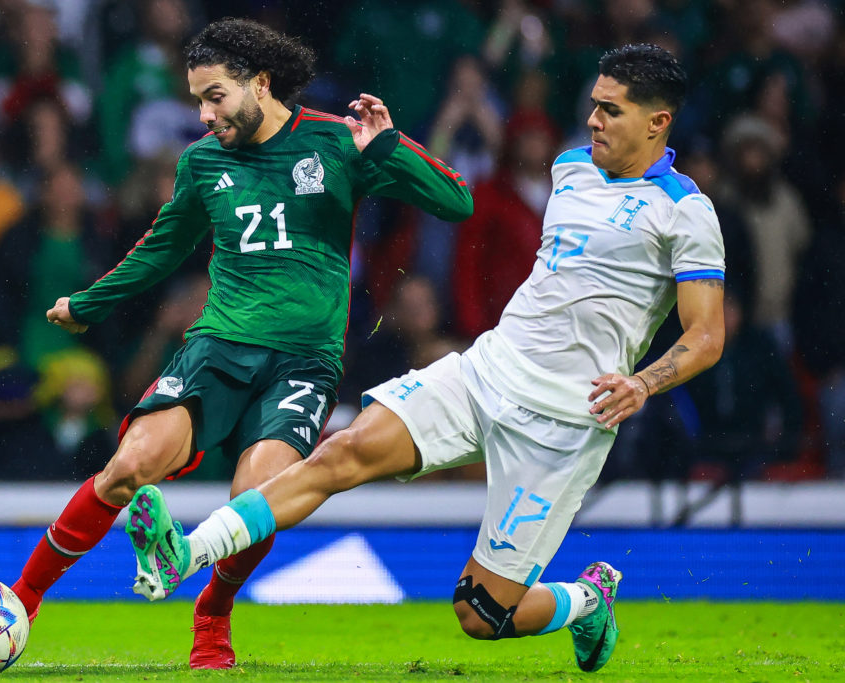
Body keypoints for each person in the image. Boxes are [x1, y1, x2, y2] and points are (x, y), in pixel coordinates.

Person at [131, 44, 726, 674]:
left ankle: (586, 600)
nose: (593, 121)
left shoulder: (685, 212)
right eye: (593, 106)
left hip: (565, 422)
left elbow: (706, 335)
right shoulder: (569, 170)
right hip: (486, 371)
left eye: (611, 111)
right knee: (342, 453)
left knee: (481, 614)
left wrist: (643, 381)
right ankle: (186, 553)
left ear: (658, 123)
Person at [8, 17, 473, 672]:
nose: (203, 114)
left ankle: (212, 613)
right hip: (218, 347)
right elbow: (160, 248)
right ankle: (21, 600)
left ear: (258, 82)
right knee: (125, 468)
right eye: (197, 98)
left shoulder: (338, 143)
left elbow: (457, 201)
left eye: (214, 96)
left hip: (305, 364)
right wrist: (88, 304)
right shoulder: (203, 162)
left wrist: (388, 148)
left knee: (256, 504)